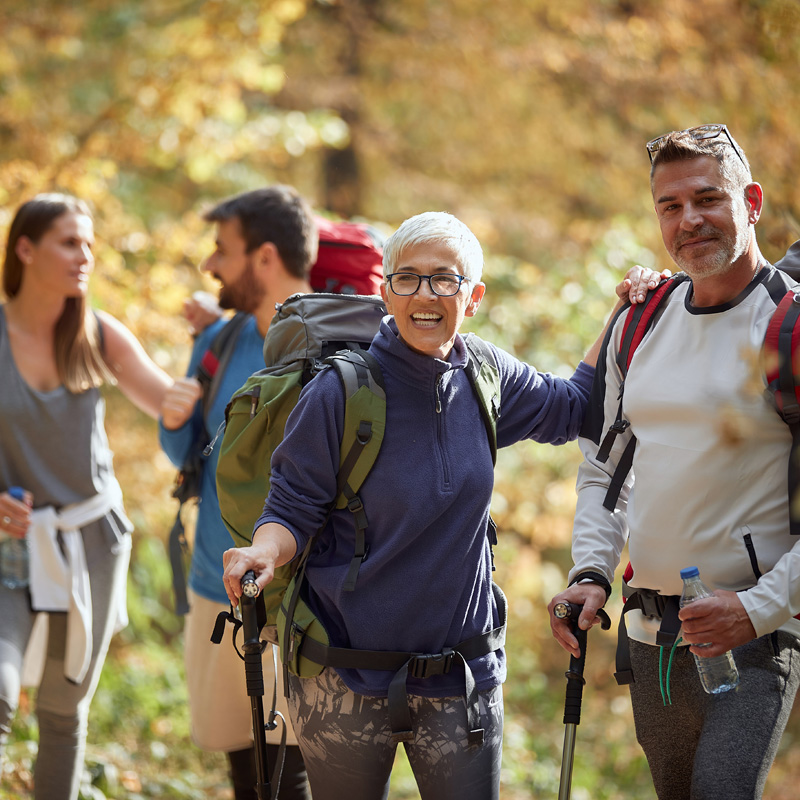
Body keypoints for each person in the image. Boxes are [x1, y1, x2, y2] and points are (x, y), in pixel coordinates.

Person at [221, 211, 660, 800]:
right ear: (385, 291)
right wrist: (263, 551)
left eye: (444, 279)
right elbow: (292, 507)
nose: (424, 295)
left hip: (461, 676)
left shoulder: (486, 373)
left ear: (472, 296)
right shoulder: (339, 392)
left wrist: (624, 312)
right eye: (407, 278)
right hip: (342, 676)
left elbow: (578, 406)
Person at [548, 124, 800, 800]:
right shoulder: (641, 318)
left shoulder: (788, 327)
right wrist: (592, 572)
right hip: (650, 633)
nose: (689, 220)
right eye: (670, 206)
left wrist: (758, 607)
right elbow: (608, 470)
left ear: (750, 202)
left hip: (752, 640)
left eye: (708, 199)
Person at [0, 193, 173, 800]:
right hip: (9, 548)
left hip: (93, 543)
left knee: (63, 710)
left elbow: (170, 403)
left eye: (90, 245)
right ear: (25, 248)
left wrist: (223, 344)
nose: (85, 257)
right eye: (70, 242)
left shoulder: (96, 333)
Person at [159, 186, 315, 800]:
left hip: (294, 599)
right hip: (211, 586)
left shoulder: (326, 341)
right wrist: (174, 425)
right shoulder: (219, 341)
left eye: (223, 249)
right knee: (244, 772)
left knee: (290, 771)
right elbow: (190, 460)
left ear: (266, 257)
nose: (210, 264)